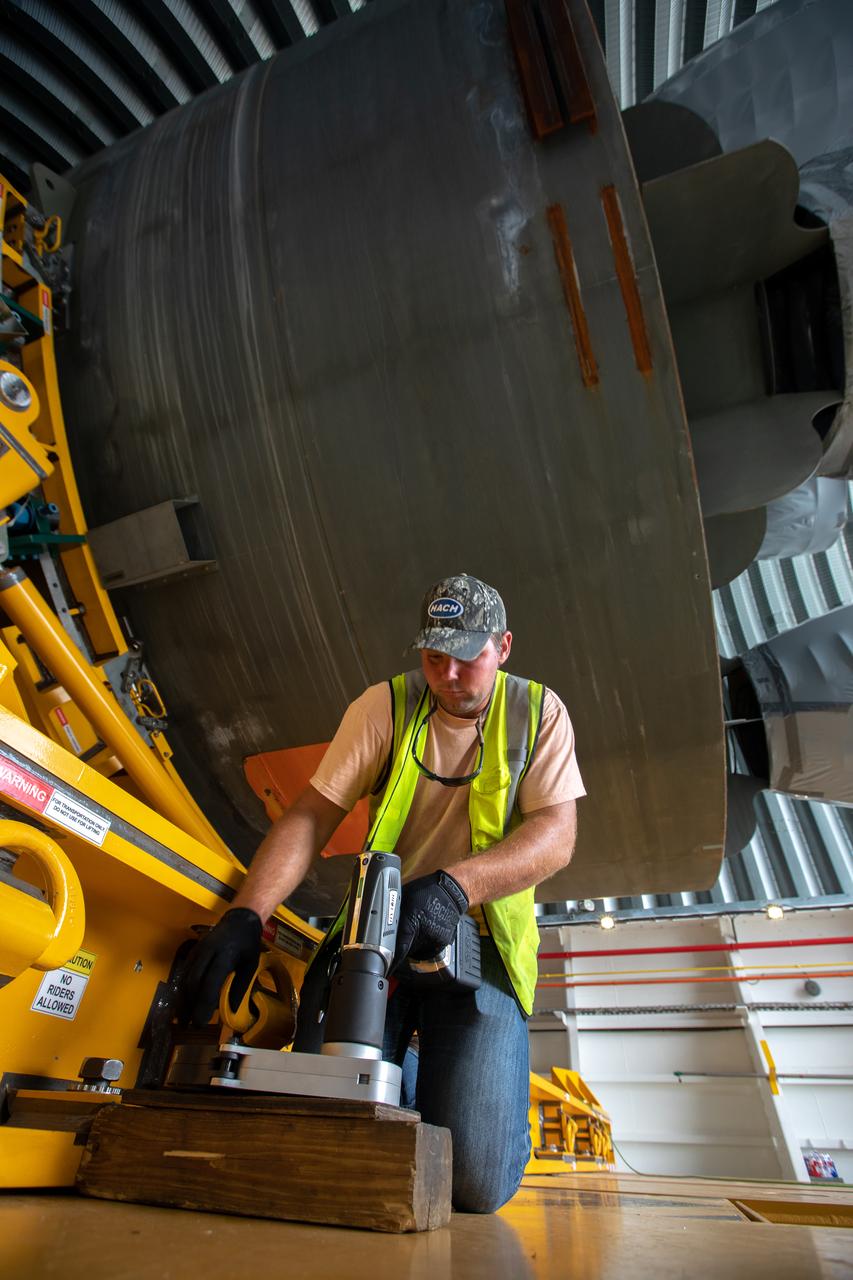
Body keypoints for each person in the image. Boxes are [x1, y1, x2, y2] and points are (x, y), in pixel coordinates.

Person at [181, 573, 585, 1212]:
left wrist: (456, 888)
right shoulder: (385, 706)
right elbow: (310, 816)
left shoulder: (540, 713)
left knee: (473, 1183)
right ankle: (413, 1081)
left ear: (503, 647)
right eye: (433, 657)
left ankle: (458, 1094)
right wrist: (246, 914)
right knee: (325, 1143)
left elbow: (556, 836)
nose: (448, 675)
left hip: (479, 944)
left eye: (468, 656)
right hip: (377, 937)